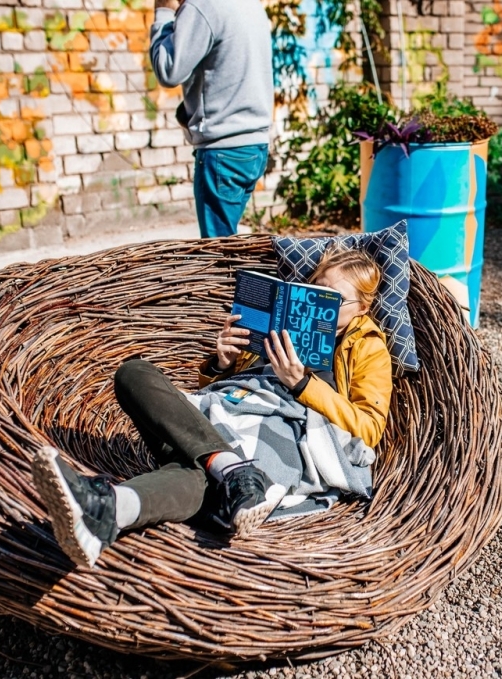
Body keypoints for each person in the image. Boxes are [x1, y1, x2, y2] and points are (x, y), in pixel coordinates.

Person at [31, 248, 393, 568]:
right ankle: (235, 471)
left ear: (362, 307)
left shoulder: (367, 347)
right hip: (227, 411)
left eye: (335, 298)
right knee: (133, 373)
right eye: (316, 287)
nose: (321, 299)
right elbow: (225, 391)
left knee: (201, 478)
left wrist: (302, 384)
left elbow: (369, 429)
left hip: (288, 428)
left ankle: (107, 508)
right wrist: (221, 362)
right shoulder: (280, 326)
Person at [148, 0, 274, 238]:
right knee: (229, 245)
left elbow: (168, 70)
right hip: (254, 146)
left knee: (218, 254)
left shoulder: (202, 6)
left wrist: (164, 11)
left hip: (223, 152)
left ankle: (245, 277)